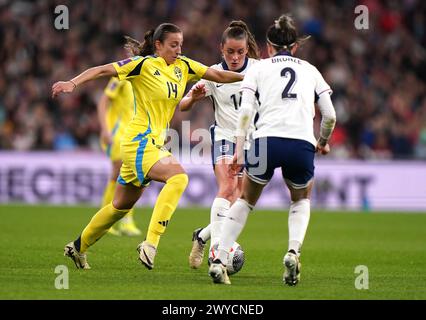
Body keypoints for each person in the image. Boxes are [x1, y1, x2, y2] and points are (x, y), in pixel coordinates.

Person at [52, 23, 244, 270]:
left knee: (119, 207)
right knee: (179, 178)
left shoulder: (183, 66)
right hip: (138, 142)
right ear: (158, 45)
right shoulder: (142, 65)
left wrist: (252, 77)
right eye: (173, 45)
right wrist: (73, 83)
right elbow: (101, 70)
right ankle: (150, 244)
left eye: (180, 45)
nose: (178, 49)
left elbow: (218, 75)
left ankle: (77, 248)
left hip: (153, 144)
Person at [208, 14, 336, 285]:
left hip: (265, 141)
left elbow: (245, 112)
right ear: (295, 46)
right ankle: (292, 251)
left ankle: (219, 259)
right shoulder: (311, 70)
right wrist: (322, 142)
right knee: (300, 199)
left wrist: (239, 149)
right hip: (301, 142)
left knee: (244, 201)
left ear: (268, 46)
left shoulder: (258, 69)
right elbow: (330, 115)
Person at [178, 21, 260, 269]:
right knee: (226, 188)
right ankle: (218, 252)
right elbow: (182, 105)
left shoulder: (259, 70)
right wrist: (194, 97)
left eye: (240, 52)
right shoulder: (213, 73)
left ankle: (202, 235)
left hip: (253, 142)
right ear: (221, 49)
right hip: (224, 137)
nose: (235, 57)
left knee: (240, 203)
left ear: (247, 50)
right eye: (230, 52)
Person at [97, 47, 141, 236]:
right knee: (118, 172)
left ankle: (121, 220)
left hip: (134, 134)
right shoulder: (119, 78)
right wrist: (105, 128)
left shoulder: (143, 80)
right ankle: (108, 220)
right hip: (117, 133)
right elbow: (103, 102)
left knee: (132, 176)